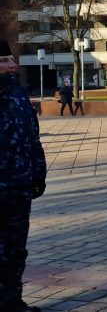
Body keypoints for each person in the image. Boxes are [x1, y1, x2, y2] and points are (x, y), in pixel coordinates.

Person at [0, 39, 47, 312]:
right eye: (5, 61)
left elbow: (33, 137)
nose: (13, 64)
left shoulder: (18, 93)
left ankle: (11, 302)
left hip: (18, 186)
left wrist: (38, 173)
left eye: (11, 59)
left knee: (16, 249)